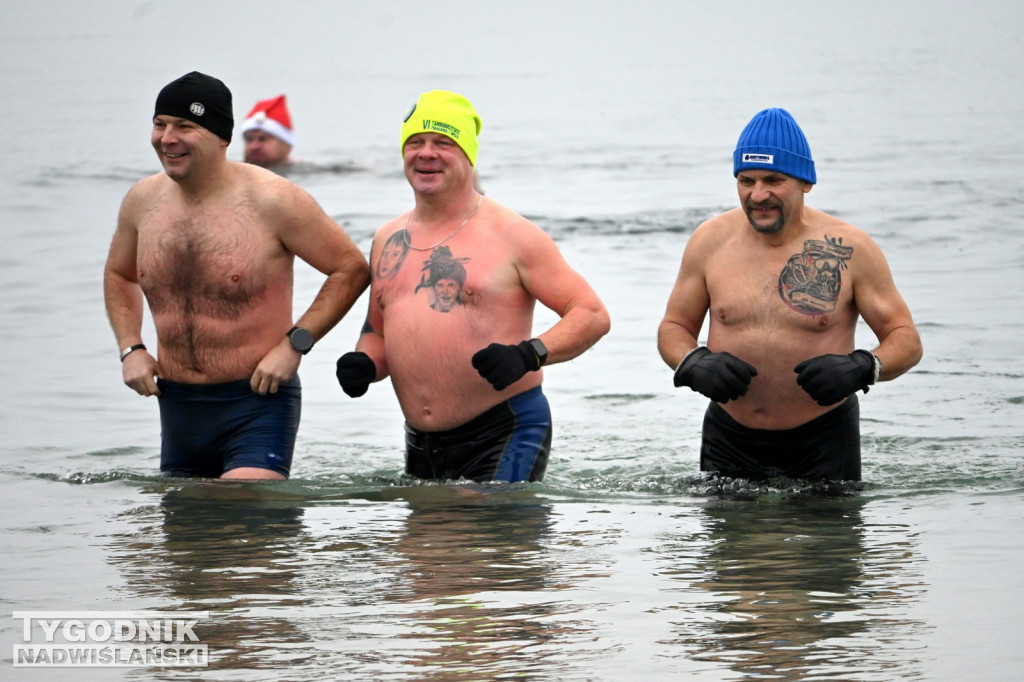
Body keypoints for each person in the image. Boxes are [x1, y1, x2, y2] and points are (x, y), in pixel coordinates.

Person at [104, 72, 370, 480]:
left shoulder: (273, 200)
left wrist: (295, 345)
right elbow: (120, 274)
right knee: (187, 538)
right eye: (160, 125)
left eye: (184, 127)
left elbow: (350, 268)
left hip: (256, 401)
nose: (167, 138)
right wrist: (130, 347)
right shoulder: (142, 201)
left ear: (221, 137)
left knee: (244, 516)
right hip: (177, 405)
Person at [335, 90, 610, 483]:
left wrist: (528, 354)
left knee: (485, 535)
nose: (426, 153)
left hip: (505, 428)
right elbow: (379, 331)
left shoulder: (513, 235)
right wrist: (366, 363)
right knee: (423, 544)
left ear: (468, 155)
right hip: (422, 441)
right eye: (415, 142)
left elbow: (592, 314)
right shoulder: (388, 239)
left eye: (443, 143)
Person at [657, 108, 923, 482]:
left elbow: (906, 340)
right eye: (746, 180)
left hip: (823, 439)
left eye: (773, 180)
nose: (758, 194)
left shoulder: (850, 248)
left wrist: (864, 366)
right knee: (730, 541)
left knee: (829, 542)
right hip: (729, 435)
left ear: (805, 182)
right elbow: (673, 326)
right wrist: (693, 361)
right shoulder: (710, 241)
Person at [242, 94, 294, 170]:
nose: (254, 146)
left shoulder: (305, 173)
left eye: (263, 139)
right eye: (249, 139)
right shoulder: (229, 174)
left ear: (287, 146)